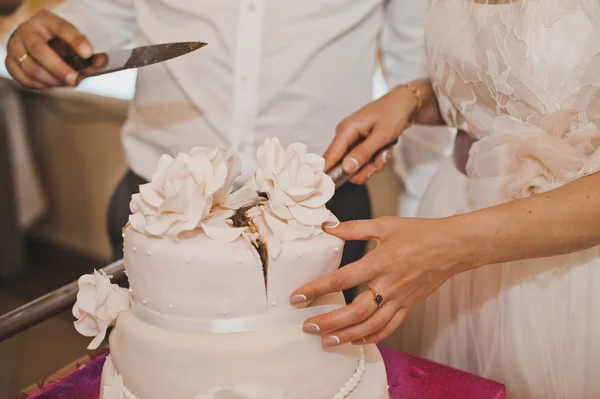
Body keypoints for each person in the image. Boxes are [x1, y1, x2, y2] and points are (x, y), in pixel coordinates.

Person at [3, 0, 450, 302]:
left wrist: (423, 216)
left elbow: (415, 74)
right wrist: (57, 44)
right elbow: (106, 11)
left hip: (322, 211)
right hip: (158, 205)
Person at [291, 0, 600, 397]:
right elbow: (509, 81)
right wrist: (417, 97)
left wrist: (450, 246)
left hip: (569, 275)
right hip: (456, 238)